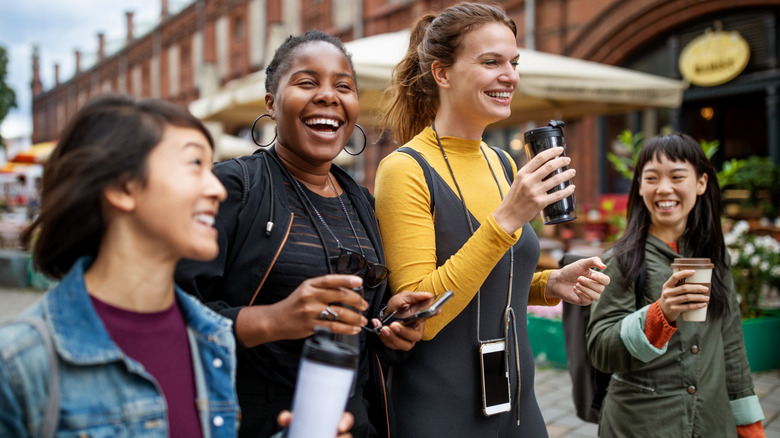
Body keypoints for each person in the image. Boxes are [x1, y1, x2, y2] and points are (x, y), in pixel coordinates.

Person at [175, 30, 432, 438]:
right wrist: (274, 320)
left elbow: (361, 338)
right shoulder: (233, 189)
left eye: (343, 86)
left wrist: (390, 331)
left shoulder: (362, 203)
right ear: (272, 104)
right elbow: (170, 319)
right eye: (307, 82)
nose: (329, 95)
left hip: (353, 424)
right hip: (256, 423)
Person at [374, 3, 611, 436]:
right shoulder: (405, 168)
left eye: (513, 62)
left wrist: (548, 283)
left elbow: (495, 276)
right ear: (442, 74)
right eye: (491, 62)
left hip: (517, 401)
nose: (510, 76)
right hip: (440, 409)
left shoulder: (502, 162)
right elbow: (418, 315)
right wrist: (506, 220)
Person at [0, 95, 240, 437]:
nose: (218, 188)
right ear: (123, 186)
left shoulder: (212, 341)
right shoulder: (19, 361)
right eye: (194, 164)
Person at [586, 133, 766, 437]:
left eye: (677, 176)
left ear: (701, 183)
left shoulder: (715, 257)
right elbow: (600, 350)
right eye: (652, 178)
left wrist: (750, 426)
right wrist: (661, 314)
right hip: (640, 426)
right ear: (640, 186)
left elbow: (732, 347)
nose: (664, 188)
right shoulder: (621, 261)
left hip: (712, 423)